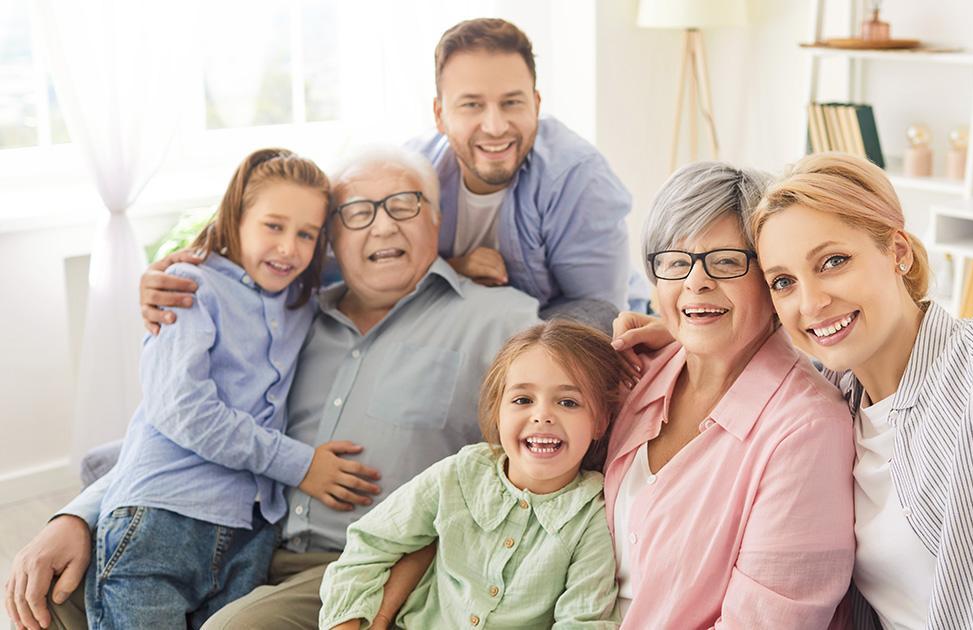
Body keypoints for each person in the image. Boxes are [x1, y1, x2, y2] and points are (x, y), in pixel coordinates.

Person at [614, 157, 973, 629]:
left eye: (834, 261)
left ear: (897, 251)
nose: (811, 302)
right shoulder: (841, 396)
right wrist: (691, 327)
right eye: (784, 281)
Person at [4, 147, 542, 630]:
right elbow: (173, 423)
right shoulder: (288, 318)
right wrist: (78, 516)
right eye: (357, 212)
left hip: (356, 559)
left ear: (437, 218)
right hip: (244, 539)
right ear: (334, 239)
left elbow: (540, 449)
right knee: (53, 595)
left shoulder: (499, 321)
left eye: (404, 205)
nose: (382, 227)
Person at [82, 148, 333, 628]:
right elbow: (185, 410)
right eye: (273, 226)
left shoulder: (302, 302)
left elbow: (374, 263)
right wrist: (298, 464)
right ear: (236, 217)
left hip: (248, 534)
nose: (288, 248)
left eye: (307, 234)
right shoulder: (190, 288)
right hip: (162, 516)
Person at [608, 162, 854, 627]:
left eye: (725, 262)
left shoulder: (808, 430)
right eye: (675, 262)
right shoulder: (638, 373)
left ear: (772, 279)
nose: (695, 282)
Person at [319, 320, 623, 629]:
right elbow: (369, 545)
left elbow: (583, 621)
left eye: (568, 402)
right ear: (497, 411)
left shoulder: (592, 516)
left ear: (600, 422)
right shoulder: (459, 474)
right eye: (522, 400)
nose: (542, 415)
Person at [409, 18, 647, 314]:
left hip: (592, 331)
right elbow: (377, 290)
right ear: (439, 115)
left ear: (536, 105)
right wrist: (452, 271)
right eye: (472, 105)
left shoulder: (577, 176)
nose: (495, 127)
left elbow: (600, 314)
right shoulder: (409, 176)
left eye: (511, 102)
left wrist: (505, 340)